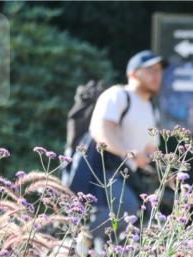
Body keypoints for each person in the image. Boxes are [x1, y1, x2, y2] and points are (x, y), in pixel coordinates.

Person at [70, 50, 166, 238]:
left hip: (128, 175)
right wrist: (128, 153)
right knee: (126, 208)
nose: (157, 76)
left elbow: (150, 149)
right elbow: (101, 130)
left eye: (159, 71)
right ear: (133, 73)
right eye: (151, 70)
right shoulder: (118, 95)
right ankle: (73, 242)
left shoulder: (150, 108)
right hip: (103, 168)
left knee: (137, 217)